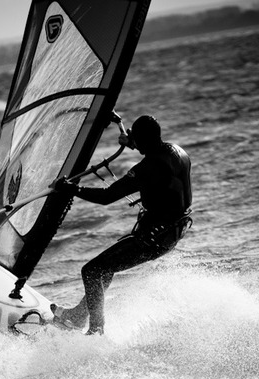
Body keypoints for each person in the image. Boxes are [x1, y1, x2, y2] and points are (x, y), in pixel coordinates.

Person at [52, 114, 192, 335]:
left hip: (152, 239)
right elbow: (155, 158)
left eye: (136, 140)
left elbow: (107, 197)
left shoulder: (148, 167)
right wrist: (134, 142)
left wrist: (73, 189)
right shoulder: (177, 152)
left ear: (142, 140)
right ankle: (79, 315)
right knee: (105, 269)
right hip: (171, 232)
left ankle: (96, 330)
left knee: (91, 270)